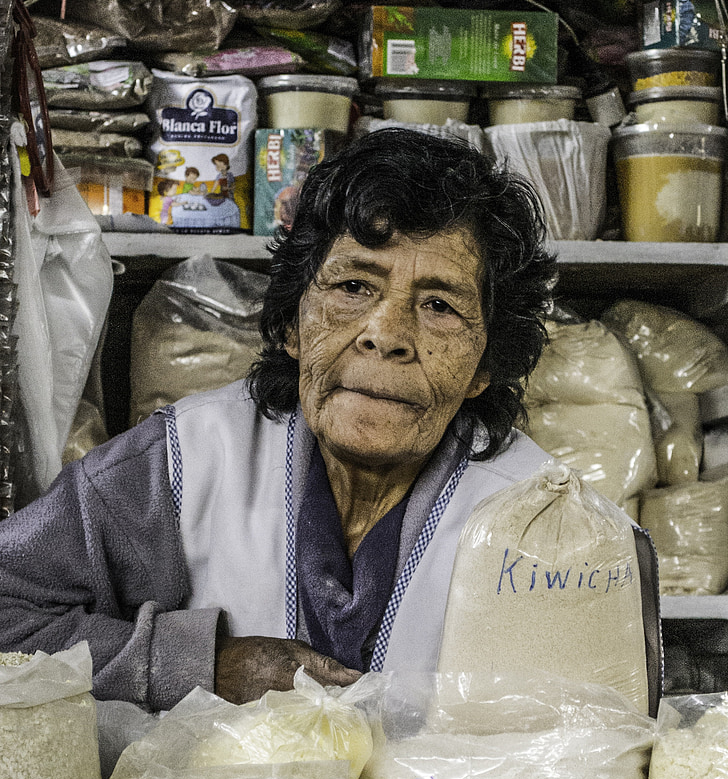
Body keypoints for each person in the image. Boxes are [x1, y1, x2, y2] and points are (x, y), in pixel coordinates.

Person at [0, 129, 659, 711]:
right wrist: (195, 665)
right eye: (353, 288)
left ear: (485, 364)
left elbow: (607, 757)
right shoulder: (183, 465)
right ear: (290, 321)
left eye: (439, 306)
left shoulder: (561, 532)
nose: (387, 334)